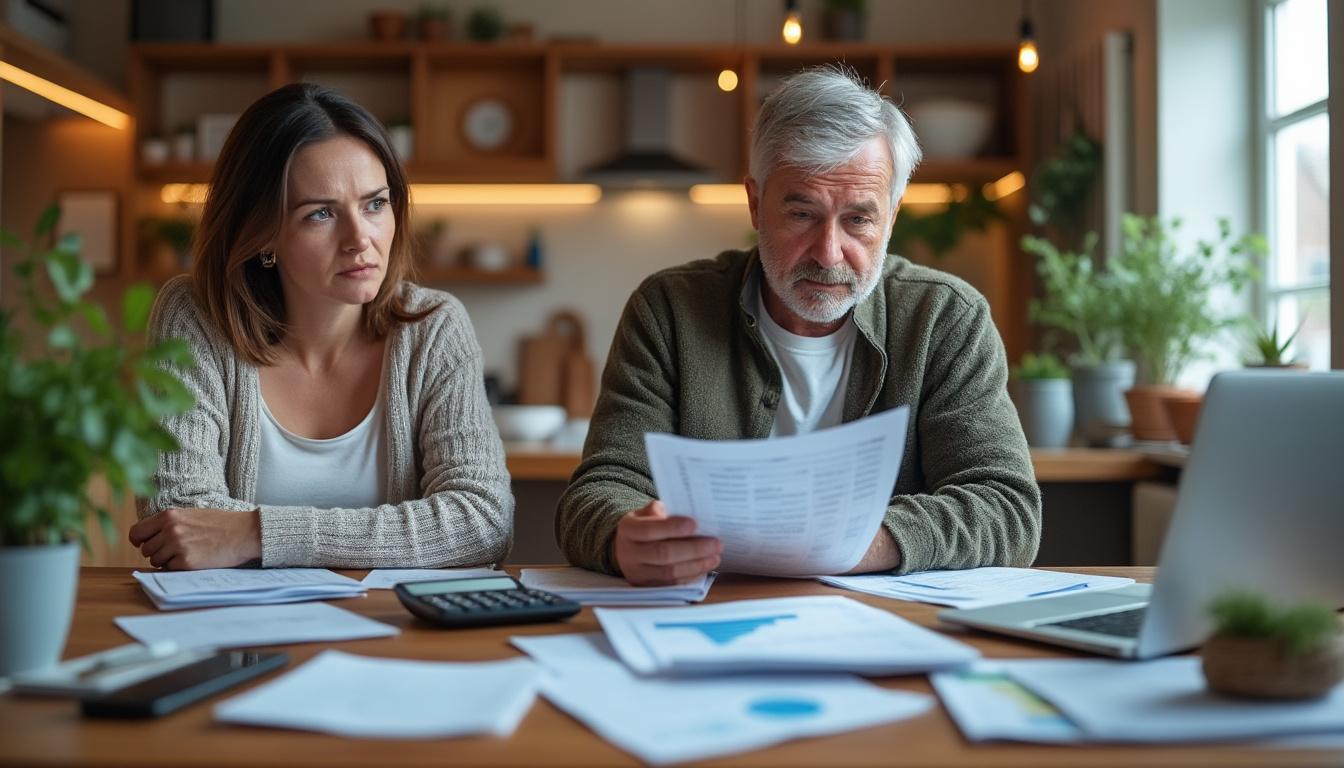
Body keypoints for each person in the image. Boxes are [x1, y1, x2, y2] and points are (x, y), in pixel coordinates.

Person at [556, 67, 1041, 586]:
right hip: (711, 612)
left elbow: (1007, 507)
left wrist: (852, 542)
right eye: (803, 214)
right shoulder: (669, 310)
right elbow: (597, 492)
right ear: (755, 204)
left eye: (858, 220)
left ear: (892, 217)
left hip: (880, 618)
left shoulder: (945, 318)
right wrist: (621, 535)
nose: (828, 254)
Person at [130, 83, 513, 570]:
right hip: (238, 619)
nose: (360, 239)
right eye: (321, 213)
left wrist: (257, 532)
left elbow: (482, 521)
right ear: (261, 231)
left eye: (375, 204)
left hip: (392, 619)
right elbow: (177, 521)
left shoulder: (434, 327)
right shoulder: (196, 316)